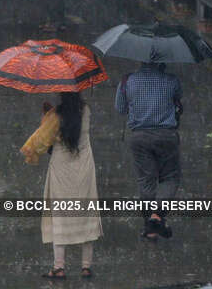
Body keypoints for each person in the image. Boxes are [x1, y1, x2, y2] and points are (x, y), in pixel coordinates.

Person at [21, 92, 102, 279]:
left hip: (61, 169)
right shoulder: (86, 110)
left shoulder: (56, 114)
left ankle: (59, 267)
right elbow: (74, 126)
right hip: (84, 167)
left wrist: (47, 116)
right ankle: (86, 266)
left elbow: (42, 140)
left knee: (60, 215)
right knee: (85, 213)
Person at [115, 61, 183, 240]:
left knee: (146, 180)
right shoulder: (172, 80)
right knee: (170, 177)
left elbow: (120, 109)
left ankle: (150, 226)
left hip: (140, 137)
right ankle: (158, 216)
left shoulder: (127, 81)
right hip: (166, 135)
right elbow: (178, 103)